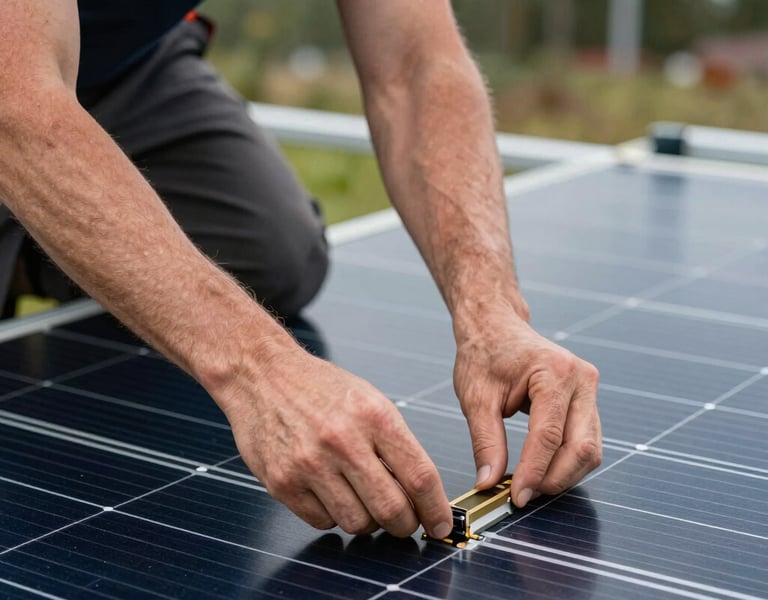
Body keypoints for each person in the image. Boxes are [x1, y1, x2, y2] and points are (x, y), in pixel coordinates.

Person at [0, 1, 602, 542]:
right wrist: (260, 371)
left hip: (126, 62)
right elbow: (15, 99)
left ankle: (41, 240)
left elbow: (416, 64)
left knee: (271, 251)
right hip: (16, 68)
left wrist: (491, 313)